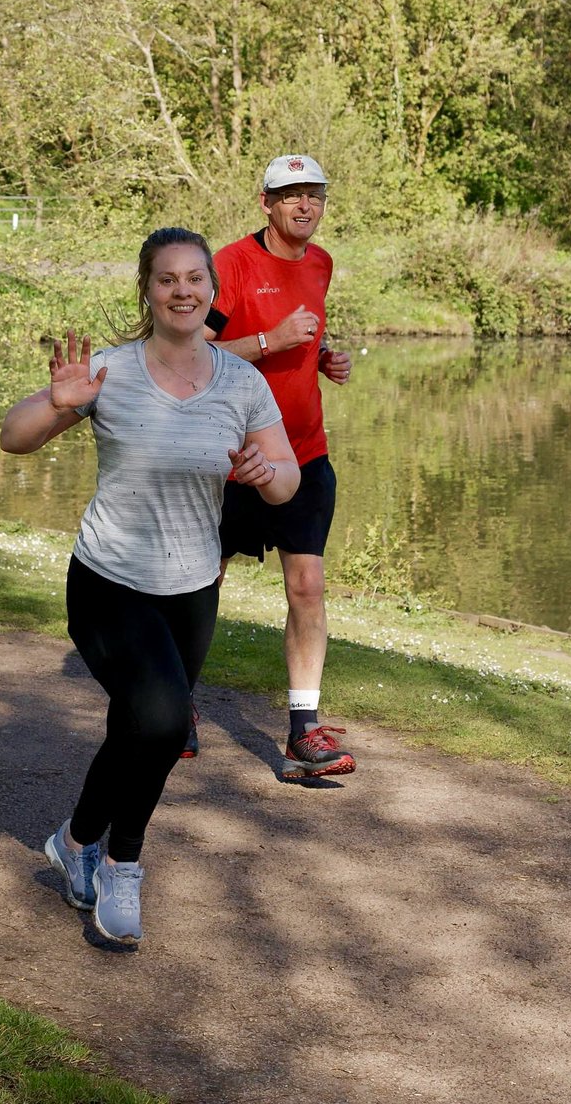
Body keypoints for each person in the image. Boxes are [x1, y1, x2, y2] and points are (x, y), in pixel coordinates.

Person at [0, 227, 299, 944]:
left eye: (195, 278)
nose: (183, 290)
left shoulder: (242, 383)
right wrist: (56, 400)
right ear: (148, 290)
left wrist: (267, 476)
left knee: (140, 726)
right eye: (168, 279)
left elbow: (286, 477)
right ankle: (123, 864)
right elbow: (13, 436)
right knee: (166, 723)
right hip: (109, 578)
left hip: (192, 586)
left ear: (212, 291)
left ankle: (74, 841)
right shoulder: (110, 371)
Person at [200, 153, 356, 780]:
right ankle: (172, 703)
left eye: (314, 195)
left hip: (305, 453)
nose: (305, 206)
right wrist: (272, 343)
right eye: (291, 195)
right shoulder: (229, 266)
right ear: (265, 203)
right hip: (233, 456)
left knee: (307, 588)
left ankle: (302, 730)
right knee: (200, 579)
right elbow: (195, 350)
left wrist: (320, 359)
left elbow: (300, 336)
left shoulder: (320, 263)